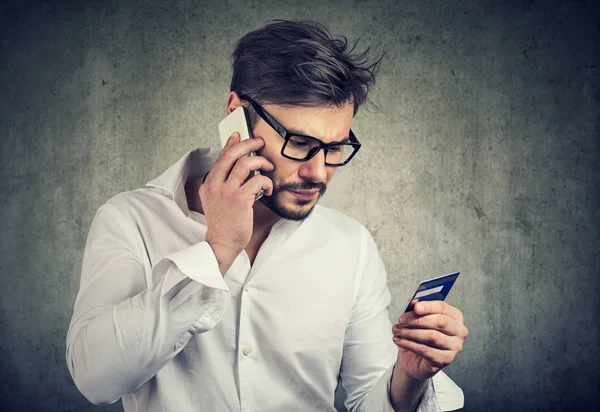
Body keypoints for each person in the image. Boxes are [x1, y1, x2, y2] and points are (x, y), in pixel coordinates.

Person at [66, 20, 468, 412]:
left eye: (334, 148)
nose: (318, 172)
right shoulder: (130, 220)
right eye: (299, 143)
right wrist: (217, 249)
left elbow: (369, 401)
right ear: (236, 115)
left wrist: (410, 377)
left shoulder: (351, 245)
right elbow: (96, 381)